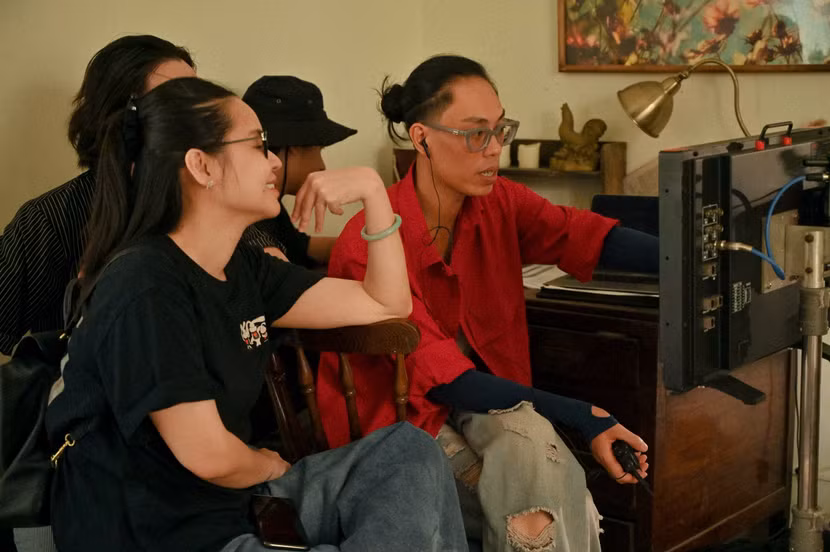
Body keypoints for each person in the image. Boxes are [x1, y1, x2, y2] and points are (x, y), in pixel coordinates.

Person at [45, 76, 467, 552]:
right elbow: (208, 455)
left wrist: (374, 194)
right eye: (257, 144)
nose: (274, 161)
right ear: (202, 165)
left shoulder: (243, 267)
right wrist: (268, 464)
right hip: (166, 531)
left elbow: (388, 304)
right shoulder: (145, 283)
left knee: (410, 450)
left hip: (238, 502)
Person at [318, 55, 655, 552]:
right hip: (401, 428)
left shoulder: (498, 202)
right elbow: (445, 379)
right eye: (476, 133)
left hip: (486, 404)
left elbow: (578, 234)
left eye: (500, 129)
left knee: (533, 444)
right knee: (553, 500)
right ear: (421, 138)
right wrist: (585, 416)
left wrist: (691, 255)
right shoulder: (367, 243)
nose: (495, 147)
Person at [0, 34, 196, 356]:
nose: (199, 121)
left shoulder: (207, 201)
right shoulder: (50, 219)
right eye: (175, 104)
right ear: (122, 118)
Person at [242, 76, 357, 267]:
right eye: (319, 150)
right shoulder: (250, 218)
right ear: (295, 147)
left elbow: (299, 247)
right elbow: (286, 277)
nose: (322, 166)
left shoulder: (269, 199)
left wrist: (368, 246)